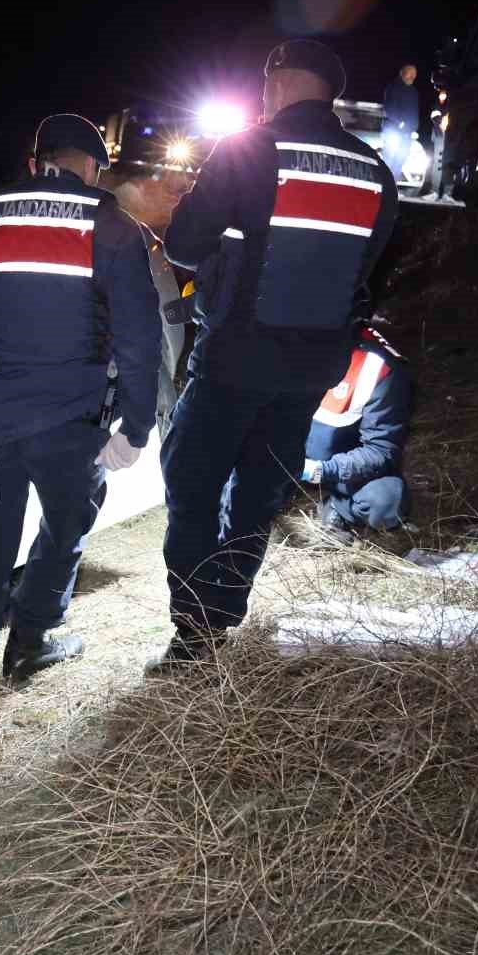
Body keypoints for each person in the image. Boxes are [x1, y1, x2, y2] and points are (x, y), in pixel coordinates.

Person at [154, 39, 399, 673]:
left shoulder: (249, 149)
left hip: (234, 359)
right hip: (309, 373)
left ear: (282, 83)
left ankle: (193, 631)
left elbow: (182, 245)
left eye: (266, 85)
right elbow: (366, 276)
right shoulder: (375, 171)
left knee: (191, 484)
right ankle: (226, 612)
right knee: (258, 497)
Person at [0, 114, 161, 682]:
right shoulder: (114, 227)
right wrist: (135, 427)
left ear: (36, 161)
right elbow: (139, 336)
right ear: (94, 169)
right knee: (64, 529)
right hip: (71, 420)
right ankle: (30, 642)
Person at [300, 325, 411, 533]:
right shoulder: (277, 346)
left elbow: (382, 450)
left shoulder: (377, 367)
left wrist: (321, 471)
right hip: (281, 455)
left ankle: (338, 508)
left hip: (338, 468)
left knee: (386, 501)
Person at [381, 64, 420, 182]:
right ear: (402, 73)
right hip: (393, 130)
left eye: (414, 74)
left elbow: (415, 110)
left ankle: (393, 184)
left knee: (401, 159)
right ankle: (385, 185)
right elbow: (389, 109)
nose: (412, 76)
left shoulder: (413, 91)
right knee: (389, 158)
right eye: (410, 73)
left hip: (407, 133)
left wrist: (414, 126)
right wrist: (400, 123)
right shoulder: (393, 87)